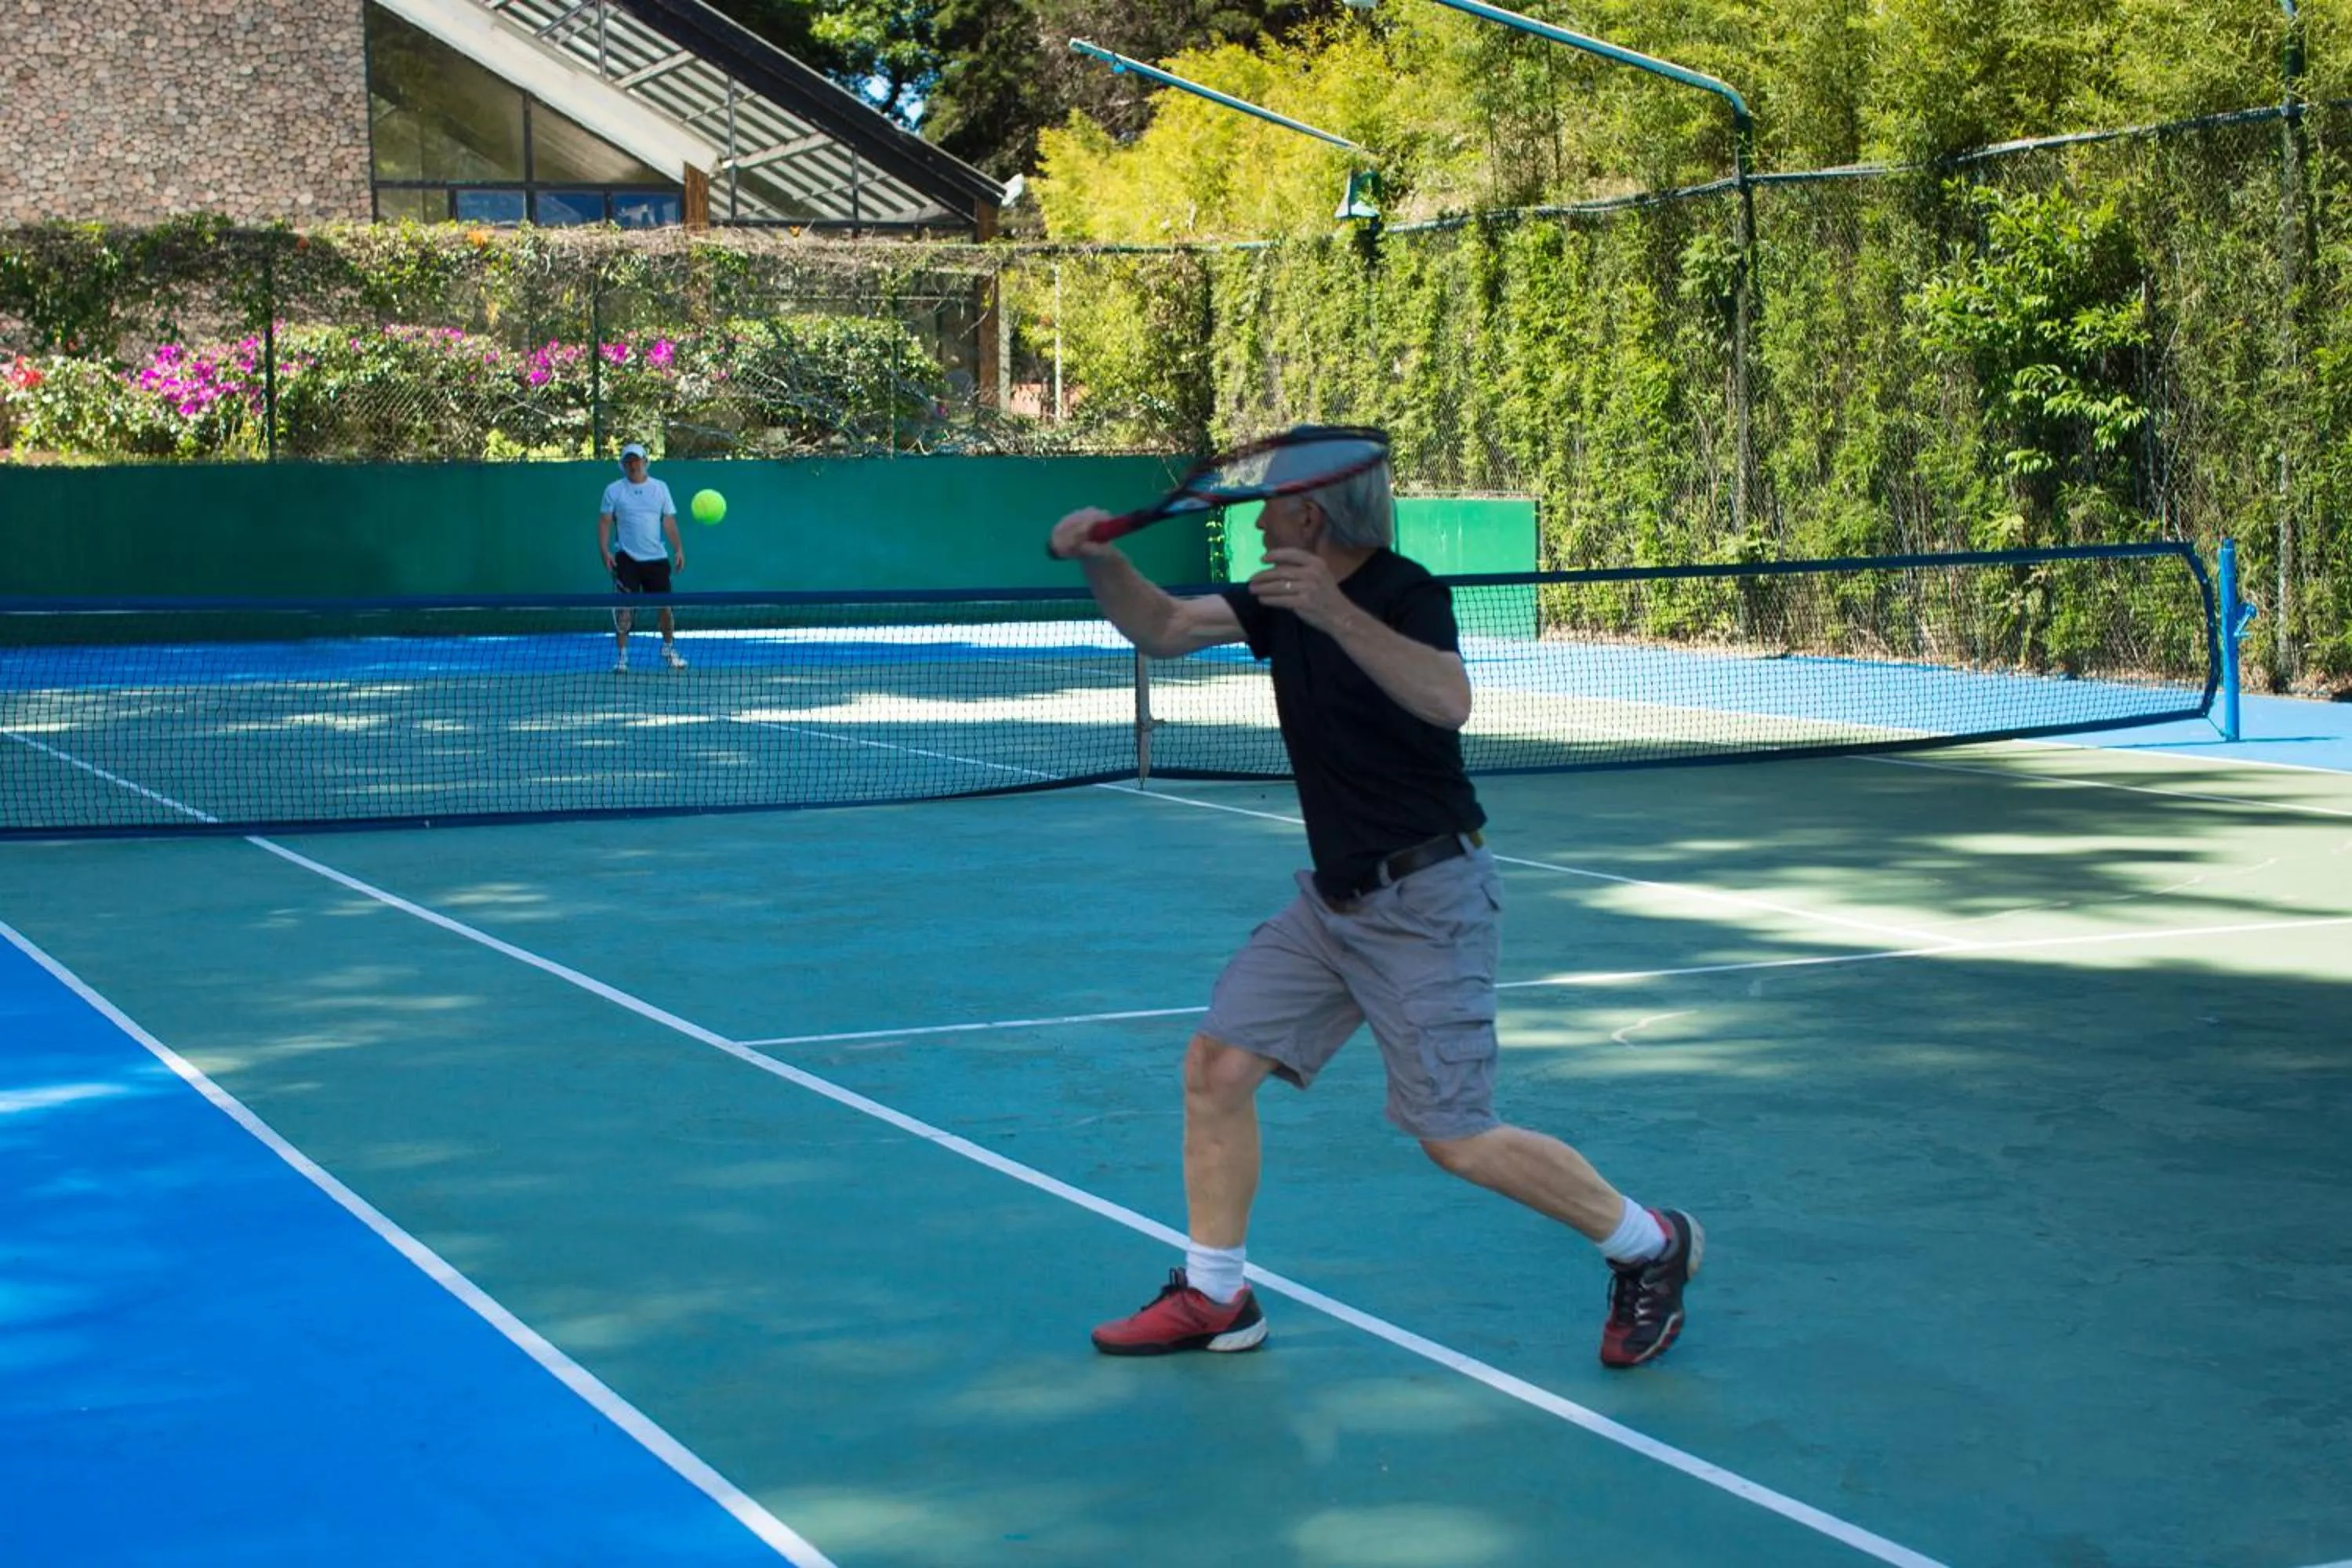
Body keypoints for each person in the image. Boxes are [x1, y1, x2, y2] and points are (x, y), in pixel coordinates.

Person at [1046, 441, 1700, 1369]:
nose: (1256, 518)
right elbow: (1162, 627)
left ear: (1312, 515)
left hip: (1429, 897)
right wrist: (1104, 558)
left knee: (1457, 1136)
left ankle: (1648, 1243)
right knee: (1216, 1067)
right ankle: (1217, 1294)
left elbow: (1449, 698)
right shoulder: (1274, 594)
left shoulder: (1404, 590)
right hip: (1335, 903)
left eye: (1270, 505)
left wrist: (1335, 612)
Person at [598, 441, 687, 672]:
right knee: (624, 609)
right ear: (623, 466)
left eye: (637, 460)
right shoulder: (614, 490)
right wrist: (605, 550)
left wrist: (678, 549)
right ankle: (622, 657)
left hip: (656, 559)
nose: (633, 465)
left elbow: (668, 521)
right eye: (628, 461)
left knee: (665, 608)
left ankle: (668, 650)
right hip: (626, 558)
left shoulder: (660, 488)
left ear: (645, 462)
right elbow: (605, 522)